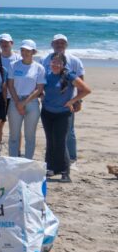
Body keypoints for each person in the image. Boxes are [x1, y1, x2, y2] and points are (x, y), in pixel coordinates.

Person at [41, 52, 91, 183]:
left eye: (59, 62)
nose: (56, 65)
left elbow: (86, 90)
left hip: (63, 114)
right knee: (50, 141)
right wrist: (42, 96)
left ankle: (65, 172)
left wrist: (73, 101)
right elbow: (39, 89)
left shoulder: (69, 76)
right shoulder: (46, 75)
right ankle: (51, 168)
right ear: (50, 63)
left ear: (63, 64)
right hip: (47, 113)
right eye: (54, 62)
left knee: (60, 142)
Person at [42, 34, 85, 167]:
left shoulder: (75, 60)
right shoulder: (44, 59)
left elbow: (81, 81)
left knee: (69, 132)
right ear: (52, 44)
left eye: (62, 43)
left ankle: (71, 159)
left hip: (67, 104)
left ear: (66, 45)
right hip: (49, 104)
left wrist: (77, 101)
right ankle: (55, 160)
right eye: (57, 42)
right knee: (53, 135)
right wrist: (42, 97)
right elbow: (41, 80)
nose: (59, 45)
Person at [6, 39, 46, 159]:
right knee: (14, 135)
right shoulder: (13, 65)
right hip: (15, 101)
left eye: (28, 51)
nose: (24, 53)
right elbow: (10, 85)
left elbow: (39, 89)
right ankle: (13, 160)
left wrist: (24, 102)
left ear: (33, 52)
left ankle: (28, 160)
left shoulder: (39, 68)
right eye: (23, 50)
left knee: (30, 136)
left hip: (32, 103)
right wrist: (18, 103)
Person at [0, 34, 20, 156]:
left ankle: (16, 150)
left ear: (12, 43)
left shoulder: (18, 58)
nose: (4, 44)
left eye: (7, 42)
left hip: (14, 97)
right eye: (2, 42)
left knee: (15, 126)